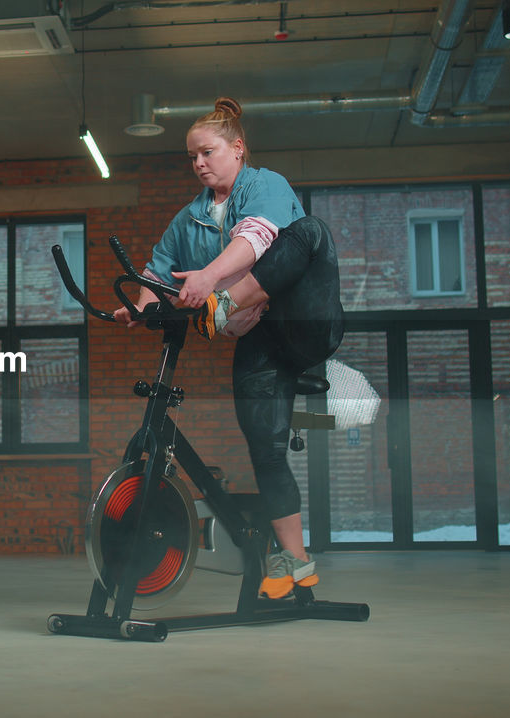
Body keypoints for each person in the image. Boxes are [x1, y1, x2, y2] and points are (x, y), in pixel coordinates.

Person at [113, 97, 344, 600]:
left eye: (208, 152)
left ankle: (225, 306)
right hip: (261, 340)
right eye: (192, 156)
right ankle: (296, 564)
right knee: (266, 451)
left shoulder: (265, 185)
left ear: (237, 150)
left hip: (304, 318)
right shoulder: (189, 218)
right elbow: (156, 271)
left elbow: (257, 239)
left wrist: (214, 286)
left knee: (310, 231)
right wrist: (143, 307)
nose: (199, 163)